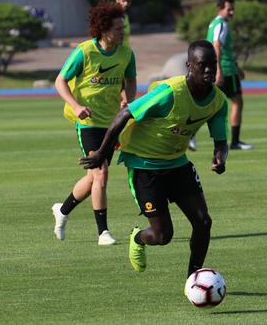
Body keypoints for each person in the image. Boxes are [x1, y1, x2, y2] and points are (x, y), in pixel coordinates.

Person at [79, 40, 229, 277]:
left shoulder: (218, 101)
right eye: (203, 65)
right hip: (145, 167)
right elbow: (125, 113)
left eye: (213, 64)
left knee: (203, 222)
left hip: (178, 164)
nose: (210, 70)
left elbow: (221, 141)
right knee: (162, 236)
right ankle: (138, 237)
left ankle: (195, 275)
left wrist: (220, 157)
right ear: (190, 66)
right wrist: (101, 153)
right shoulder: (169, 93)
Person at [52, 0, 137, 245]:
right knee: (101, 174)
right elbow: (60, 81)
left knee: (92, 179)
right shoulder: (85, 51)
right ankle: (103, 233)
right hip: (88, 123)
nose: (123, 33)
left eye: (124, 28)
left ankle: (63, 210)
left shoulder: (126, 53)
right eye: (118, 29)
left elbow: (130, 80)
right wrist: (77, 107)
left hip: (112, 124)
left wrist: (128, 103)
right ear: (103, 29)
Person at [205, 0, 252, 150]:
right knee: (237, 102)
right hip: (226, 71)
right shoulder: (222, 25)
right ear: (220, 9)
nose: (232, 12)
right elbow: (217, 46)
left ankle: (190, 137)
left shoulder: (213, 24)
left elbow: (222, 50)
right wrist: (219, 71)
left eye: (233, 9)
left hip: (225, 68)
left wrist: (237, 68)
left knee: (210, 105)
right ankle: (235, 141)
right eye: (229, 9)